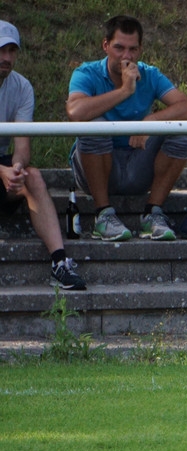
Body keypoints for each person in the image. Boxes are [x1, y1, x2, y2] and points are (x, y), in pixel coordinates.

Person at [66, 15, 187, 242]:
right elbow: (75, 112)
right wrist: (124, 91)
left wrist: (151, 122)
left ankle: (152, 214)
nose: (126, 56)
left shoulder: (150, 74)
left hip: (137, 164)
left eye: (132, 49)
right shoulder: (86, 72)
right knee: (94, 127)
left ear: (140, 50)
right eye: (119, 48)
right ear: (105, 45)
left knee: (181, 131)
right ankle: (102, 216)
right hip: (93, 169)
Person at [0, 20, 86, 290]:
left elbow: (22, 147)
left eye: (12, 51)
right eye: (1, 50)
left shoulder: (22, 87)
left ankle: (59, 263)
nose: (6, 58)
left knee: (32, 176)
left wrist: (15, 168)